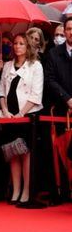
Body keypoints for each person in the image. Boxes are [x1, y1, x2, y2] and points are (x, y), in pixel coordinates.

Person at [0, 33, 43, 206]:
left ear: (28, 46)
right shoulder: (8, 65)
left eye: (22, 43)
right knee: (12, 153)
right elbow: (1, 91)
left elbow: (36, 94)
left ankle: (26, 191)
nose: (17, 46)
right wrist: (5, 110)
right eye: (15, 43)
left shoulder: (35, 66)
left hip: (27, 116)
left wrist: (21, 113)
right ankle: (15, 190)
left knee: (25, 153)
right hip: (9, 115)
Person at [45, 17, 72, 200]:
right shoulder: (54, 54)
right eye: (69, 29)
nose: (71, 32)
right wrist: (68, 99)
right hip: (62, 109)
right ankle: (63, 189)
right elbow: (50, 79)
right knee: (62, 152)